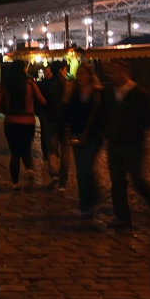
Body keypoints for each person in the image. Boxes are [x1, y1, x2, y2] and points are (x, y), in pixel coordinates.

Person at [102, 59, 150, 229]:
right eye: (111, 72)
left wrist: (135, 128)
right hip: (114, 144)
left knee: (137, 178)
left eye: (115, 71)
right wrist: (107, 131)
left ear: (125, 72)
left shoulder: (138, 94)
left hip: (133, 144)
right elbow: (105, 115)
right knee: (117, 182)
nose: (113, 75)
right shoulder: (110, 93)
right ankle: (122, 217)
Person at [0, 60, 46, 190]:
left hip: (11, 121)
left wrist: (6, 112)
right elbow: (41, 100)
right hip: (28, 121)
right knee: (26, 148)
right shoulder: (30, 83)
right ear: (23, 69)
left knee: (14, 153)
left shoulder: (5, 85)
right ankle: (29, 170)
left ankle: (15, 183)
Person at [64, 61, 104, 217]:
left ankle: (92, 198)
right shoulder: (74, 93)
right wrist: (66, 97)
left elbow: (101, 114)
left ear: (90, 75)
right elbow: (66, 115)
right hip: (77, 135)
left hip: (93, 136)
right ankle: (85, 205)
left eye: (83, 73)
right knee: (81, 172)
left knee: (86, 167)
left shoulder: (98, 93)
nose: (80, 77)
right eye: (78, 74)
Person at [38, 61, 69, 189]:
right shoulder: (67, 84)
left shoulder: (46, 84)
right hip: (65, 122)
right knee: (66, 152)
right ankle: (63, 180)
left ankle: (54, 174)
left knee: (52, 149)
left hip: (51, 120)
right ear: (61, 70)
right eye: (65, 69)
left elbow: (42, 102)